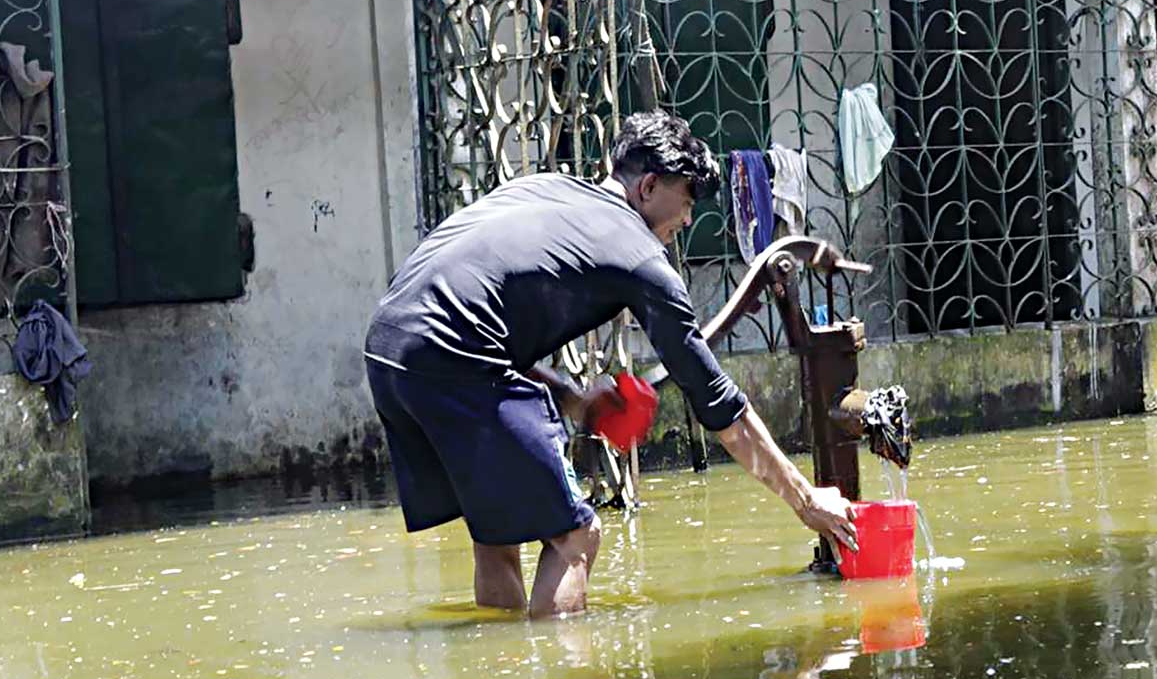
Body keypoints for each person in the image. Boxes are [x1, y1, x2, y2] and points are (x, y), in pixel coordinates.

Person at [364, 111, 856, 618]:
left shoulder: (548, 188)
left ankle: (501, 673)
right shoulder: (641, 258)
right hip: (454, 359)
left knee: (496, 533)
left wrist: (573, 400)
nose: (687, 221)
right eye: (686, 201)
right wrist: (806, 500)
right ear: (647, 186)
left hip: (388, 348)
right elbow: (718, 404)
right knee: (576, 535)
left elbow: (474, 318)